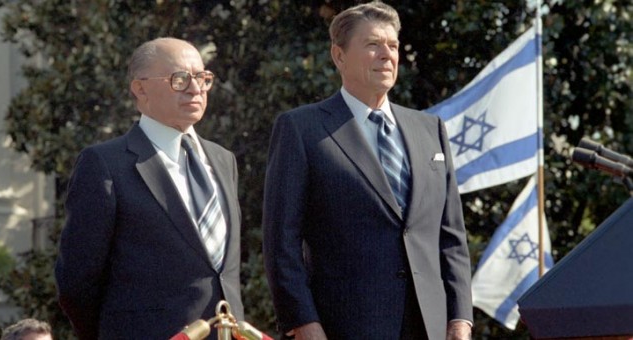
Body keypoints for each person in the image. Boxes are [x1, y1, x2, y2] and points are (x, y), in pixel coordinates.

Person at [262, 2, 472, 339]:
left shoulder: (429, 128)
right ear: (339, 56)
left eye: (393, 46)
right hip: (344, 326)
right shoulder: (302, 129)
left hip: (431, 327)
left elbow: (452, 238)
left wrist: (460, 318)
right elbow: (280, 243)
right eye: (373, 44)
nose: (386, 55)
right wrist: (302, 322)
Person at [55, 37, 244, 339]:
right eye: (179, 79)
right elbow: (77, 280)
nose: (195, 89)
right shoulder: (106, 164)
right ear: (140, 88)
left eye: (202, 78)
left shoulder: (223, 160)